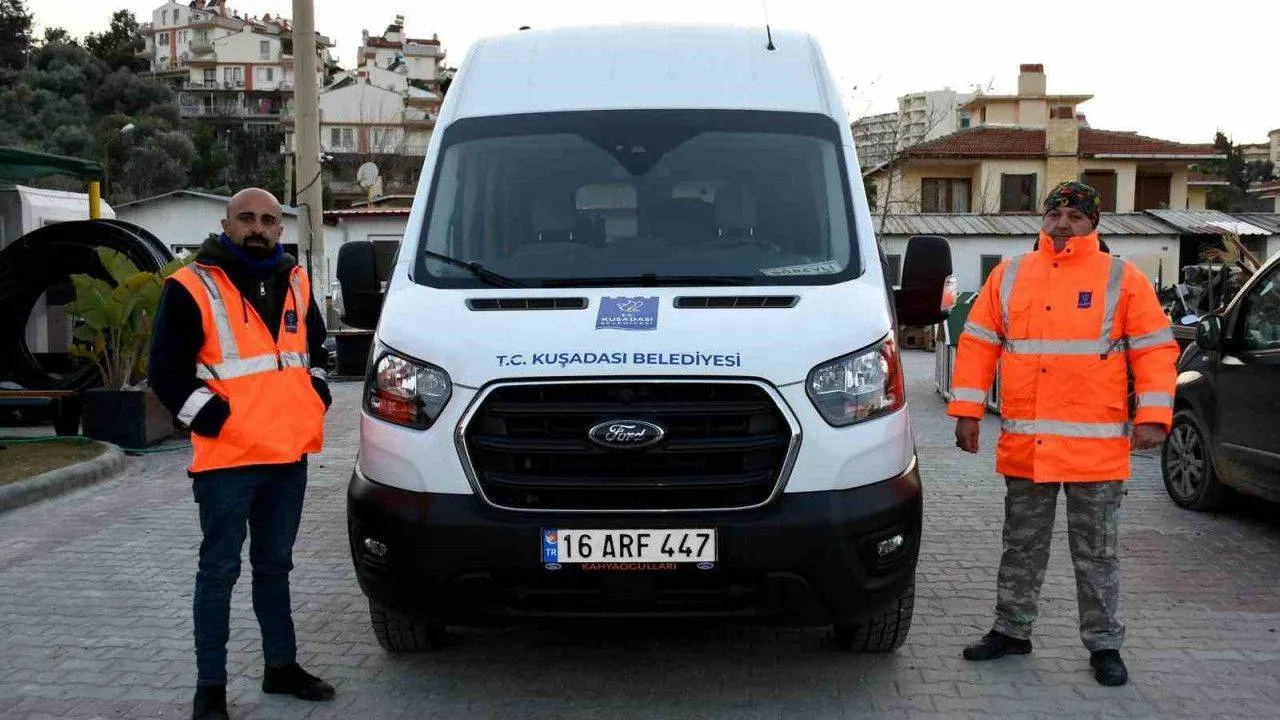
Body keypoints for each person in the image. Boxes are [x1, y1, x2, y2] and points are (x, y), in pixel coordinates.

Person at [948, 181, 1179, 687]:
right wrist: (966, 411)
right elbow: (978, 343)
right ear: (1042, 218)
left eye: (1076, 216)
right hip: (1028, 447)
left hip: (1096, 453)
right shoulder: (1009, 275)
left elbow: (1155, 349)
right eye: (1055, 213)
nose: (1063, 224)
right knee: (1021, 546)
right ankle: (1011, 631)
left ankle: (1104, 644)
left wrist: (1153, 415)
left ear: (1093, 223)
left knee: (1097, 554)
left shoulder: (1121, 277)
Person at [148, 188, 335, 720]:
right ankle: (210, 689)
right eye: (247, 218)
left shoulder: (296, 280)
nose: (258, 227)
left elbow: (316, 351)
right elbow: (164, 371)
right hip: (227, 462)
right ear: (226, 224)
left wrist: (317, 394)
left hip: (286, 458)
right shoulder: (192, 285)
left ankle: (281, 667)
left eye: (269, 220)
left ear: (280, 228)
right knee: (219, 572)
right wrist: (212, 419)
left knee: (275, 566)